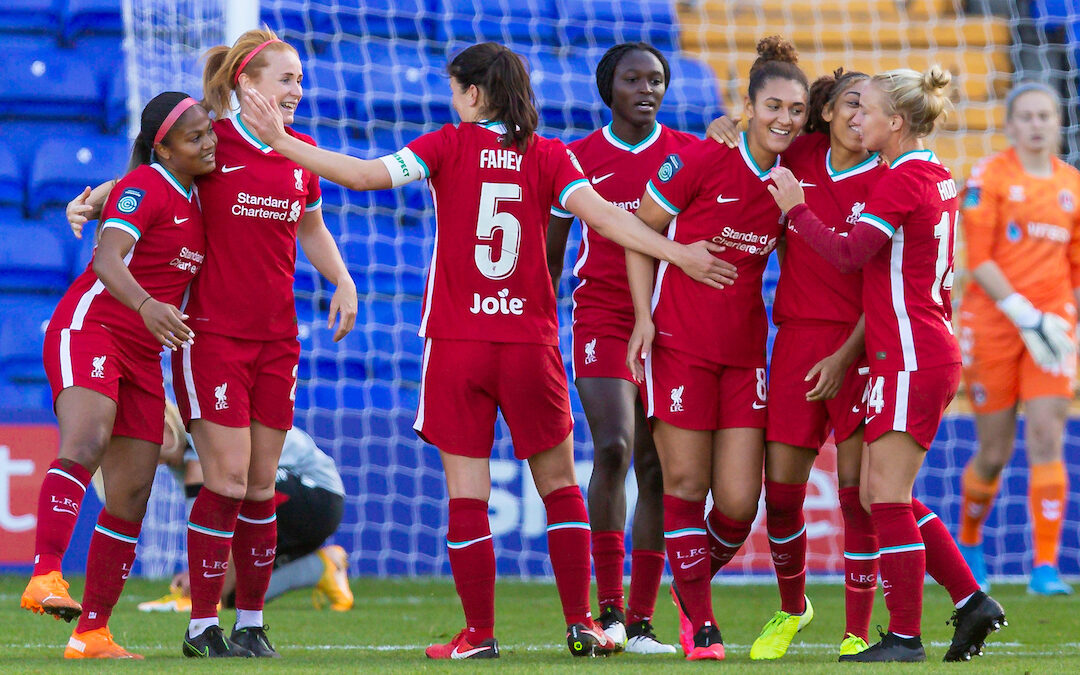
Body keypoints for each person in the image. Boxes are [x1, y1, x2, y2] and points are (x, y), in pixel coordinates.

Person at [239, 41, 737, 660]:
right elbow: (609, 219)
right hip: (529, 343)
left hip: (458, 343)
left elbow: (365, 175)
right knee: (559, 485)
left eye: (456, 90)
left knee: (468, 494)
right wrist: (678, 253)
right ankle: (583, 622)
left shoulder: (445, 144)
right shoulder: (551, 154)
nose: (455, 101)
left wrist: (281, 142)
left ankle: (478, 636)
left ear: (473, 94)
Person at [66, 28, 356, 659]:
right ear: (245, 85)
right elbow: (148, 185)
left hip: (279, 341)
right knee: (222, 479)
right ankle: (202, 626)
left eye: (301, 80)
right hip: (214, 341)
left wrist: (342, 279)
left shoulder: (300, 151)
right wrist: (95, 197)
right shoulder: (209, 145)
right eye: (286, 79)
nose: (298, 91)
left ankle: (250, 623)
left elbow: (311, 228)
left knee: (258, 486)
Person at [767, 65, 1007, 662]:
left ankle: (904, 637)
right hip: (910, 349)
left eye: (866, 110)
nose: (855, 119)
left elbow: (850, 254)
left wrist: (797, 209)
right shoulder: (930, 173)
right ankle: (970, 599)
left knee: (887, 499)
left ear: (895, 123)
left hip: (911, 354)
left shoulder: (901, 180)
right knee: (882, 497)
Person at [623, 35, 808, 661]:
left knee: (737, 503)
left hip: (745, 353)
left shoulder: (796, 175)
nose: (784, 119)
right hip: (680, 341)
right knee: (684, 481)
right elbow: (636, 229)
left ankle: (684, 585)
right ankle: (702, 625)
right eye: (773, 106)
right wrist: (644, 316)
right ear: (748, 106)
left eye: (796, 110)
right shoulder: (702, 156)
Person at [21, 92, 215, 660]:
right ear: (164, 148)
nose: (208, 143)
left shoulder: (200, 190)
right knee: (87, 440)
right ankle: (46, 574)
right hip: (95, 325)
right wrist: (149, 306)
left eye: (209, 132)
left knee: (131, 491)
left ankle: (92, 634)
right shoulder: (147, 185)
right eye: (195, 136)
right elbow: (107, 260)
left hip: (141, 350)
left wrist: (98, 196)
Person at [544, 42, 697, 655]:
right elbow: (551, 257)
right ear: (608, 88)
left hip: (672, 321)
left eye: (656, 79)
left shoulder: (688, 152)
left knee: (656, 467)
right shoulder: (574, 157)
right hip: (602, 318)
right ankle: (605, 614)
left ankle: (640, 621)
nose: (646, 88)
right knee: (613, 445)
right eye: (633, 78)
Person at [955, 81, 1080, 596]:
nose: (1035, 124)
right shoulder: (989, 176)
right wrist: (1021, 313)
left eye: (1044, 116)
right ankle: (969, 543)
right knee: (994, 450)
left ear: (1059, 123)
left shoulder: (1073, 185)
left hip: (1050, 329)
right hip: (995, 324)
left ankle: (1045, 568)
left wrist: (1064, 322)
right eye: (1026, 116)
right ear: (1010, 125)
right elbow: (979, 259)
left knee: (1048, 436)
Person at [139, 406, 352, 614]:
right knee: (234, 595)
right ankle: (321, 567)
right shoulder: (182, 461)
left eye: (145, 435)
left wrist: (201, 577)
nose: (142, 447)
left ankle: (199, 593)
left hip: (318, 494)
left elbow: (220, 516)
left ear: (167, 425)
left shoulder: (199, 432)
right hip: (294, 507)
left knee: (235, 488)